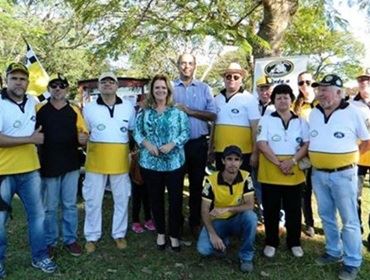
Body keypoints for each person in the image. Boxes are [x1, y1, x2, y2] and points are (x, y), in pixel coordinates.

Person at [309, 74, 370, 280]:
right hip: (318, 174)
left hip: (344, 174)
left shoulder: (353, 111)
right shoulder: (314, 113)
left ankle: (352, 261)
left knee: (349, 219)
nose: (320, 93)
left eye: (325, 89)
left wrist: (350, 160)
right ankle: (333, 251)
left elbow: (366, 140)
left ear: (338, 92)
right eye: (319, 89)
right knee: (326, 215)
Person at [0, 62, 57, 277]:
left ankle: (40, 256)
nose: (18, 82)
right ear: (7, 80)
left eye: (22, 78)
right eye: (14, 78)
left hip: (30, 170)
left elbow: (54, 105)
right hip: (2, 173)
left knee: (37, 217)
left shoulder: (33, 101)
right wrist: (29, 139)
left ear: (27, 82)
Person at [134, 74, 190, 251]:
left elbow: (186, 132)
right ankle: (160, 233)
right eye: (157, 87)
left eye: (163, 88)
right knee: (155, 199)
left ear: (168, 91)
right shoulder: (145, 111)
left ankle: (174, 234)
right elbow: (137, 132)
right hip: (150, 164)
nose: (160, 90)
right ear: (152, 90)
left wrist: (173, 144)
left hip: (174, 163)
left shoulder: (178, 112)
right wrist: (146, 143)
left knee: (175, 200)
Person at [36, 74, 88, 258]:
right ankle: (50, 241)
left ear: (67, 89)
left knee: (69, 205)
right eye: (54, 85)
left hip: (71, 164)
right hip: (48, 164)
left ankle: (70, 240)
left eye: (61, 86)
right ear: (49, 88)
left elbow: (84, 134)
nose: (58, 89)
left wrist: (83, 139)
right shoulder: (39, 109)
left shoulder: (74, 110)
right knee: (50, 207)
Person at [82, 72, 135, 253]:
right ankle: (91, 236)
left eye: (111, 81)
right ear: (98, 86)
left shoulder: (128, 107)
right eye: (103, 82)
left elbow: (132, 131)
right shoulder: (88, 108)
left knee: (121, 199)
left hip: (120, 161)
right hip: (96, 162)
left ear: (117, 85)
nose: (107, 84)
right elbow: (84, 134)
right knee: (92, 200)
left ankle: (119, 234)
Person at [257, 84, 308, 258]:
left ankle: (294, 242)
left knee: (293, 209)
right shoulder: (266, 119)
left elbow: (307, 145)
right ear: (274, 101)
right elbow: (262, 144)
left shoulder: (301, 121)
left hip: (294, 173)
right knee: (271, 210)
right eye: (278, 97)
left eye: (286, 97)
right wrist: (280, 164)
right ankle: (271, 242)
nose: (282, 100)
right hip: (271, 171)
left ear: (291, 100)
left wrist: (292, 161)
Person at [173, 53, 217, 236]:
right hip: (175, 146)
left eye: (190, 63)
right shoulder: (170, 88)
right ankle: (176, 223)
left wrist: (189, 111)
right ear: (178, 66)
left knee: (196, 186)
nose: (186, 66)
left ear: (195, 66)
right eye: (183, 63)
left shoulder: (204, 88)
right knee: (175, 185)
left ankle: (195, 222)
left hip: (198, 144)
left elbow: (213, 115)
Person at [197, 145, 257, 273]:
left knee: (251, 217)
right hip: (217, 221)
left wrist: (227, 209)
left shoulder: (246, 177)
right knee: (203, 250)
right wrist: (213, 235)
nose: (233, 163)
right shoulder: (211, 180)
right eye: (229, 159)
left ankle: (246, 257)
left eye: (236, 159)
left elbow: (250, 205)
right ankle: (222, 239)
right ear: (223, 161)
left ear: (241, 162)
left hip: (237, 220)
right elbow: (204, 210)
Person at [210, 63, 260, 172]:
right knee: (221, 185)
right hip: (221, 152)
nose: (232, 79)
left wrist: (255, 154)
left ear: (241, 79)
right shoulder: (217, 99)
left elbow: (256, 129)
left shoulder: (250, 99)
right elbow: (214, 126)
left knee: (242, 186)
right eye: (228, 76)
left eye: (236, 77)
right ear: (224, 78)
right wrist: (210, 149)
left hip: (243, 153)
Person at [293, 71, 316, 238]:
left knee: (324, 192)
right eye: (301, 83)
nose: (305, 86)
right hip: (305, 154)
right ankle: (309, 223)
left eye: (308, 82)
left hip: (324, 153)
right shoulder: (297, 105)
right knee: (305, 191)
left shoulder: (322, 101)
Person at [349, 70, 370, 235]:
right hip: (358, 157)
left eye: (367, 79)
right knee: (353, 196)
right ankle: (357, 228)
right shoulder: (350, 103)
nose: (364, 82)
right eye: (361, 79)